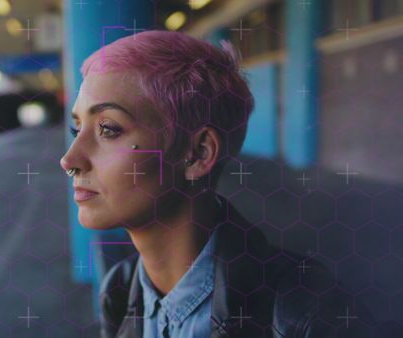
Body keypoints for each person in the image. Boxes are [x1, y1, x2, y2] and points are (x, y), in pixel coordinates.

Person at [59, 30, 375, 338]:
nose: (70, 160)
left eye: (109, 129)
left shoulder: (305, 312)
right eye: (77, 130)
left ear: (198, 153)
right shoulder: (121, 288)